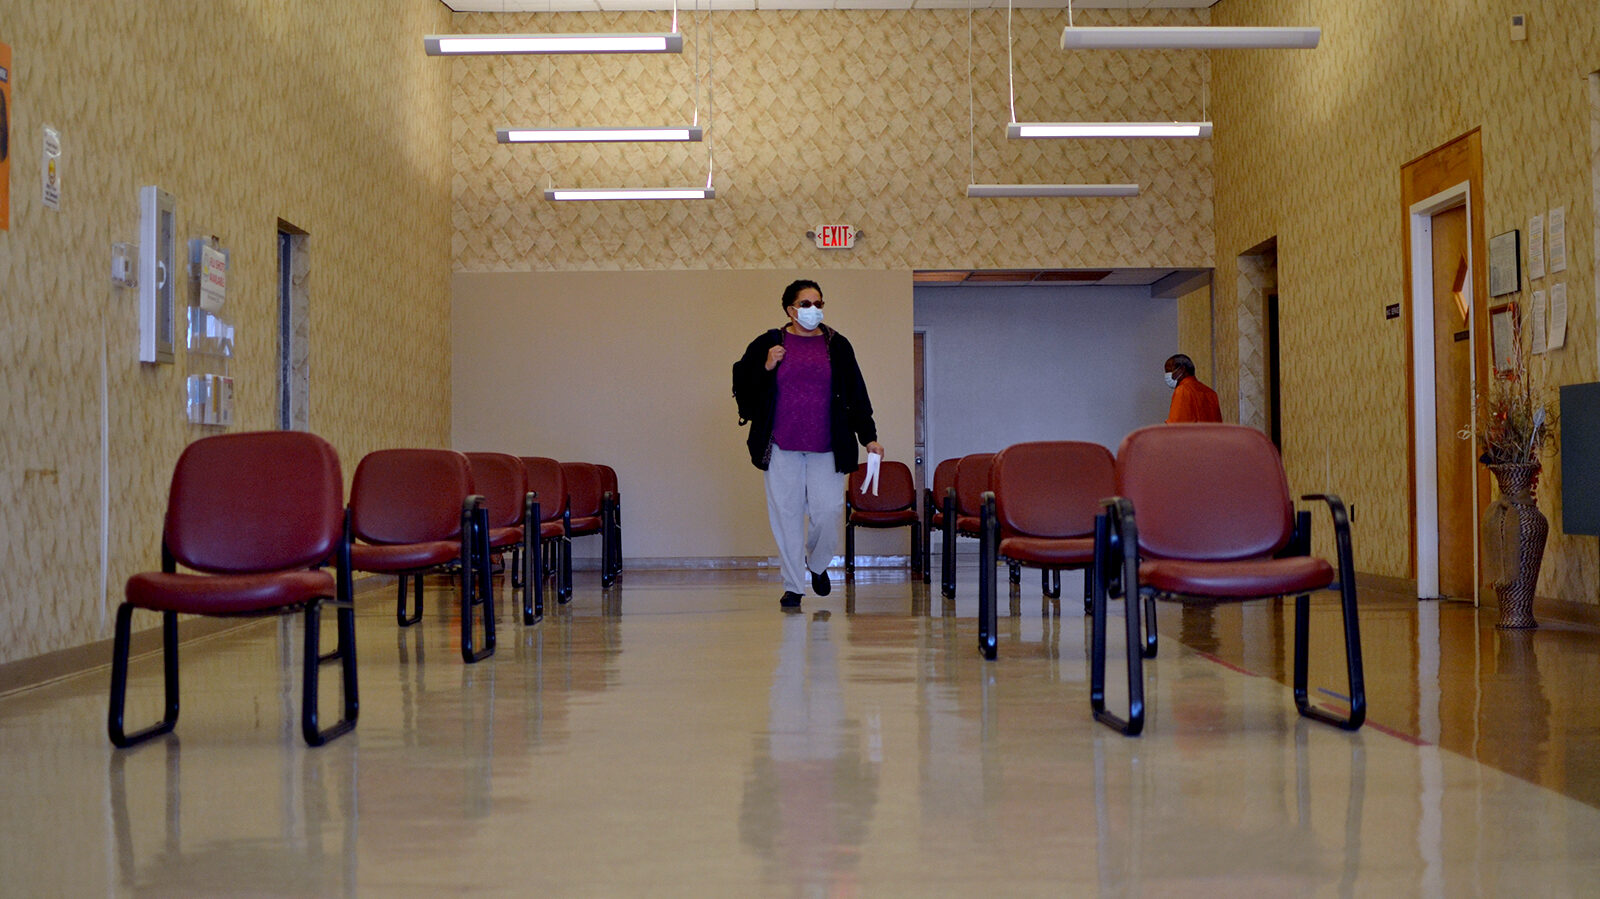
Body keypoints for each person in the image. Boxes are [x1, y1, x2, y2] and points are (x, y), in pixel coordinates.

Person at [734, 280, 883, 609]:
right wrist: (766, 366)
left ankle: (817, 566)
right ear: (790, 309)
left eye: (818, 303)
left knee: (827, 512)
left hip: (828, 446)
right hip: (781, 444)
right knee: (785, 516)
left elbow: (857, 394)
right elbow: (742, 388)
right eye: (805, 304)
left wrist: (869, 437)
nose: (813, 309)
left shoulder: (837, 345)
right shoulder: (769, 342)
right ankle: (793, 586)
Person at [1164, 353, 1222, 423]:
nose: (1167, 375)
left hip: (1190, 434)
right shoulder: (1211, 393)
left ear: (1182, 369)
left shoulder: (1183, 390)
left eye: (1169, 371)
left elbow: (1176, 427)